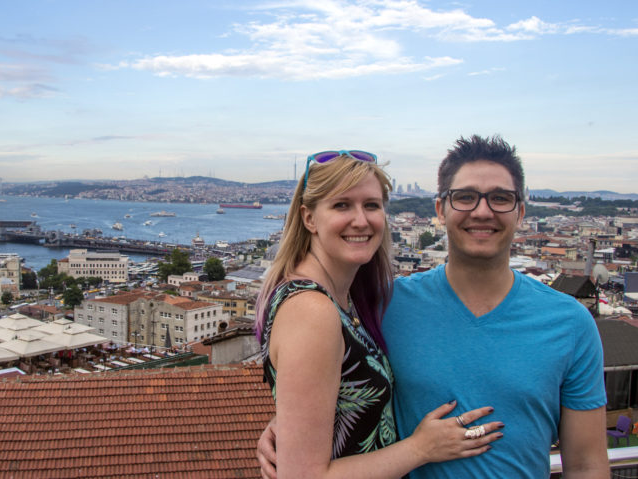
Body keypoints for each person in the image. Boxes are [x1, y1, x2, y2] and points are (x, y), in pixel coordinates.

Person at [257, 136, 609, 478]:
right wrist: (293, 425)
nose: (482, 211)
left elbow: (587, 466)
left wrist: (292, 425)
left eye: (500, 198)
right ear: (440, 209)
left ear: (520, 211)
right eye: (465, 197)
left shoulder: (571, 325)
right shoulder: (384, 305)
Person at [255, 150, 503, 479]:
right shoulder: (312, 310)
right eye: (342, 205)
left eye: (371, 205)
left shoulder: (342, 300)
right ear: (309, 218)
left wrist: (293, 422)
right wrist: (421, 449)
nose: (361, 220)